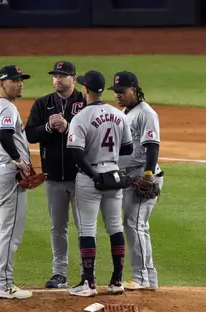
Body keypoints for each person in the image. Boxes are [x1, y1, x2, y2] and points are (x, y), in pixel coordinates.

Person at [66, 70, 134, 297]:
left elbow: (75, 154)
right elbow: (127, 149)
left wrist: (94, 175)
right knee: (115, 227)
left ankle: (88, 283)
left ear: (85, 89)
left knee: (87, 228)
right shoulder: (120, 115)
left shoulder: (80, 118)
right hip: (113, 176)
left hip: (90, 177)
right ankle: (117, 281)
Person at [24, 61, 86, 289]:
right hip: (53, 177)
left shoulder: (85, 102)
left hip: (81, 177)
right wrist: (48, 129)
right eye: (55, 75)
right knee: (57, 227)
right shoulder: (43, 103)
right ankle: (59, 273)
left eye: (63, 75)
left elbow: (94, 134)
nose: (58, 79)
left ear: (74, 78)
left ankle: (86, 272)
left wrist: (69, 127)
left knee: (84, 227)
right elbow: (30, 134)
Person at [110, 71, 163, 290]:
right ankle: (148, 278)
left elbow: (152, 145)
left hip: (143, 176)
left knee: (135, 224)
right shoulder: (126, 112)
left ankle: (142, 277)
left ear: (134, 89)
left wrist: (148, 175)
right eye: (116, 92)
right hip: (130, 177)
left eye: (122, 91)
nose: (118, 95)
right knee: (134, 225)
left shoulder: (146, 113)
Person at [0, 65, 33, 300]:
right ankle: (5, 284)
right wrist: (18, 160)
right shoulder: (7, 108)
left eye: (21, 80)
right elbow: (4, 134)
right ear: (1, 83)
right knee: (9, 234)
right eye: (14, 80)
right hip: (7, 174)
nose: (19, 83)